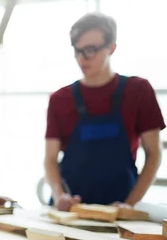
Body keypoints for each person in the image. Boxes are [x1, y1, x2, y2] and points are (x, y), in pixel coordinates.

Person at [44, 12, 165, 212]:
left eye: (91, 50)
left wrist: (129, 205)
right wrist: (60, 196)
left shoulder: (138, 90)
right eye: (77, 50)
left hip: (119, 212)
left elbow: (154, 154)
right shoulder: (59, 99)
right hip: (72, 212)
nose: (82, 58)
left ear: (112, 47)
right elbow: (49, 159)